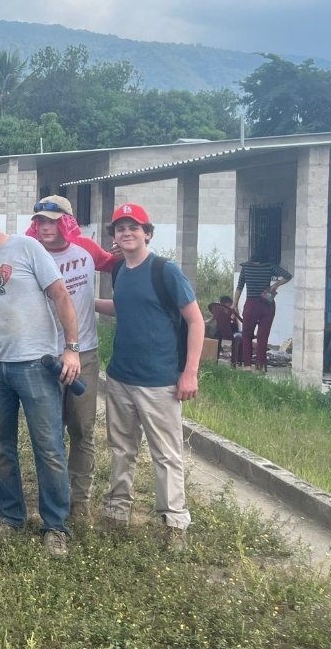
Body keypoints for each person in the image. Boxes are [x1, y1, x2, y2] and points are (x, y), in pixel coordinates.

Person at [0, 195, 79, 558]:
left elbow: (60, 295)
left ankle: (55, 525)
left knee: (49, 448)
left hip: (36, 362)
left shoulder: (27, 247)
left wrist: (71, 347)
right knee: (0, 448)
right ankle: (10, 516)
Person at [96, 203, 204, 551]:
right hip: (120, 377)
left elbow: (196, 321)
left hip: (159, 381)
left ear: (148, 233)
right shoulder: (121, 272)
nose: (126, 233)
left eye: (133, 227)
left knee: (166, 454)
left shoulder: (165, 270)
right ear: (114, 236)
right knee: (121, 448)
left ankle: (175, 524)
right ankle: (116, 511)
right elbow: (124, 307)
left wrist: (189, 373)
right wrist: (87, 301)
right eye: (120, 228)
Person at [25, 195, 120, 523]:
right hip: (42, 354)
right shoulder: (29, 251)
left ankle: (79, 501)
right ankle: (52, 498)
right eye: (40, 221)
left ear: (66, 221)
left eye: (52, 221)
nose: (45, 227)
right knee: (48, 432)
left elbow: (116, 263)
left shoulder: (87, 250)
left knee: (81, 428)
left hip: (85, 352)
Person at [233, 252, 292, 371]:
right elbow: (288, 275)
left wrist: (234, 304)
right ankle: (260, 367)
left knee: (246, 335)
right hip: (267, 304)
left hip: (251, 305)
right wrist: (276, 284)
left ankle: (247, 366)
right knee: (263, 337)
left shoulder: (246, 267)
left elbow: (239, 287)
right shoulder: (270, 266)